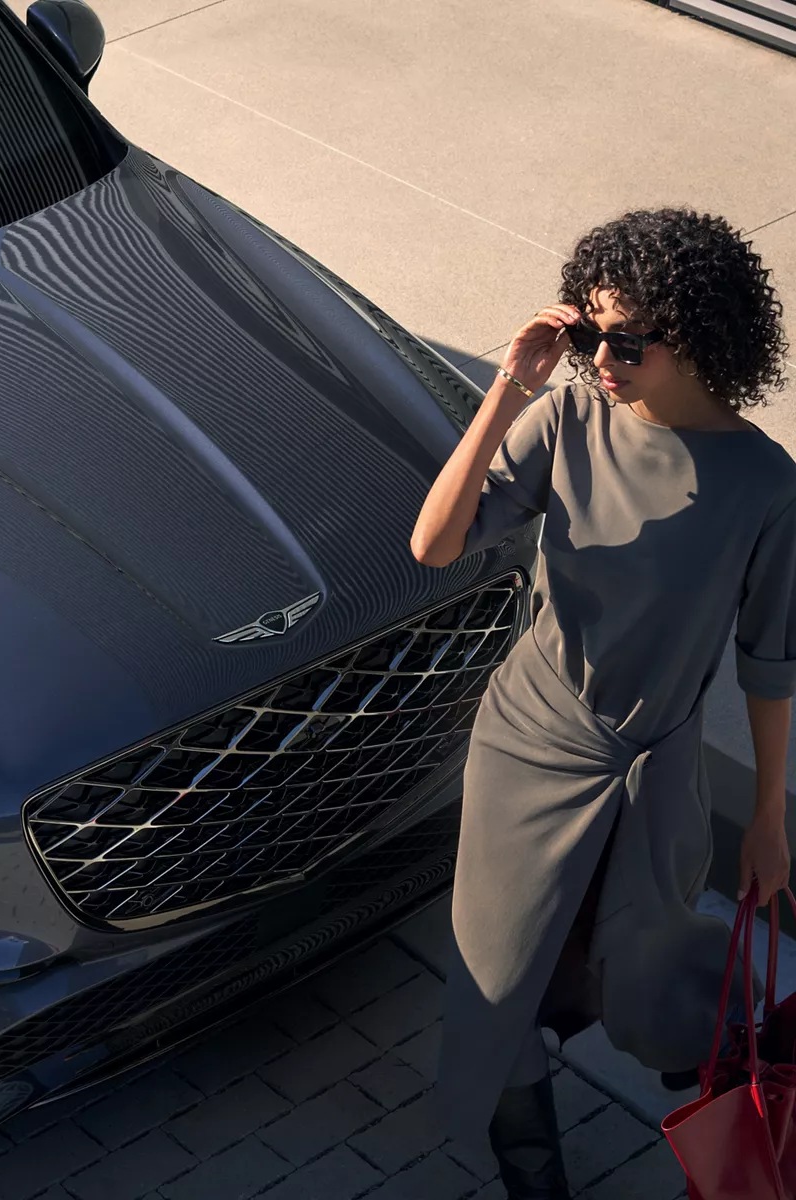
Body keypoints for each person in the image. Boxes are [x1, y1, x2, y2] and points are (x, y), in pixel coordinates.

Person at [410, 207, 795, 1200]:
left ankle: (747, 1140)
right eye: (591, 335)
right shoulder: (567, 418)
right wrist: (511, 387)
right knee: (498, 981)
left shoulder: (766, 486)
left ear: (701, 339)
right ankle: (534, 1180)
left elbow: (769, 659)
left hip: (651, 770)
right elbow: (435, 545)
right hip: (528, 749)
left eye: (629, 342)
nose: (605, 360)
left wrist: (766, 817)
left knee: (654, 973)